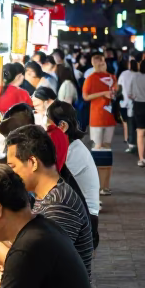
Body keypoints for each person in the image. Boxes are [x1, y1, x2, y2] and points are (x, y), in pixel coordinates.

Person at [5, 125, 93, 275]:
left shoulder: (59, 204)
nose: (11, 174)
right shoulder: (46, 196)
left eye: (13, 166)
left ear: (33, 163)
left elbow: (35, 264)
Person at [48, 100, 100, 248]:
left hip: (85, 220)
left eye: (48, 124)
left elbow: (53, 184)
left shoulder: (72, 152)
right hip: (79, 215)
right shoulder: (70, 146)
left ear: (62, 126)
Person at [81, 51, 116, 192]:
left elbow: (116, 90)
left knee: (107, 148)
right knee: (97, 148)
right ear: (93, 63)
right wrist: (103, 93)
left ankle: (105, 185)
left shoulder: (111, 77)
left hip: (109, 116)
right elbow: (85, 96)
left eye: (102, 61)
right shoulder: (90, 78)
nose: (101, 64)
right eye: (98, 62)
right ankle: (96, 184)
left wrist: (112, 93)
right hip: (96, 117)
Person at [117, 57, 139, 153]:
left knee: (128, 123)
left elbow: (119, 87)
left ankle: (129, 142)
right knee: (137, 125)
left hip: (125, 103)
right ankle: (136, 142)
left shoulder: (124, 74)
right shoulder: (140, 75)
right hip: (138, 102)